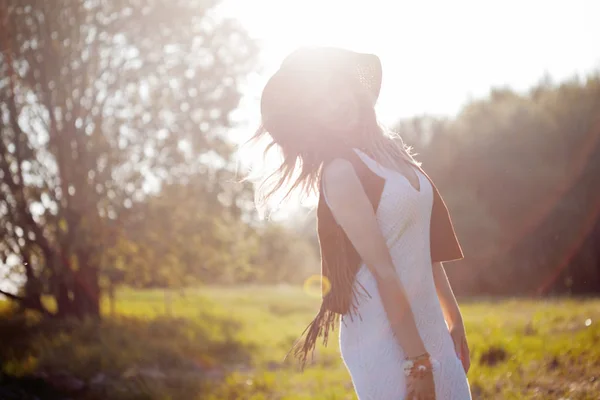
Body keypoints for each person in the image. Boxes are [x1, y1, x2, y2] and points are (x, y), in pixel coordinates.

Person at [252, 46, 471, 400]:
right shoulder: (341, 172)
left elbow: (424, 249)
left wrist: (454, 318)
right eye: (318, 104)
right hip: (382, 337)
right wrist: (416, 362)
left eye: (335, 91)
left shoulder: (392, 153)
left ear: (351, 87)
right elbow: (383, 269)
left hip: (429, 327)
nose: (334, 105)